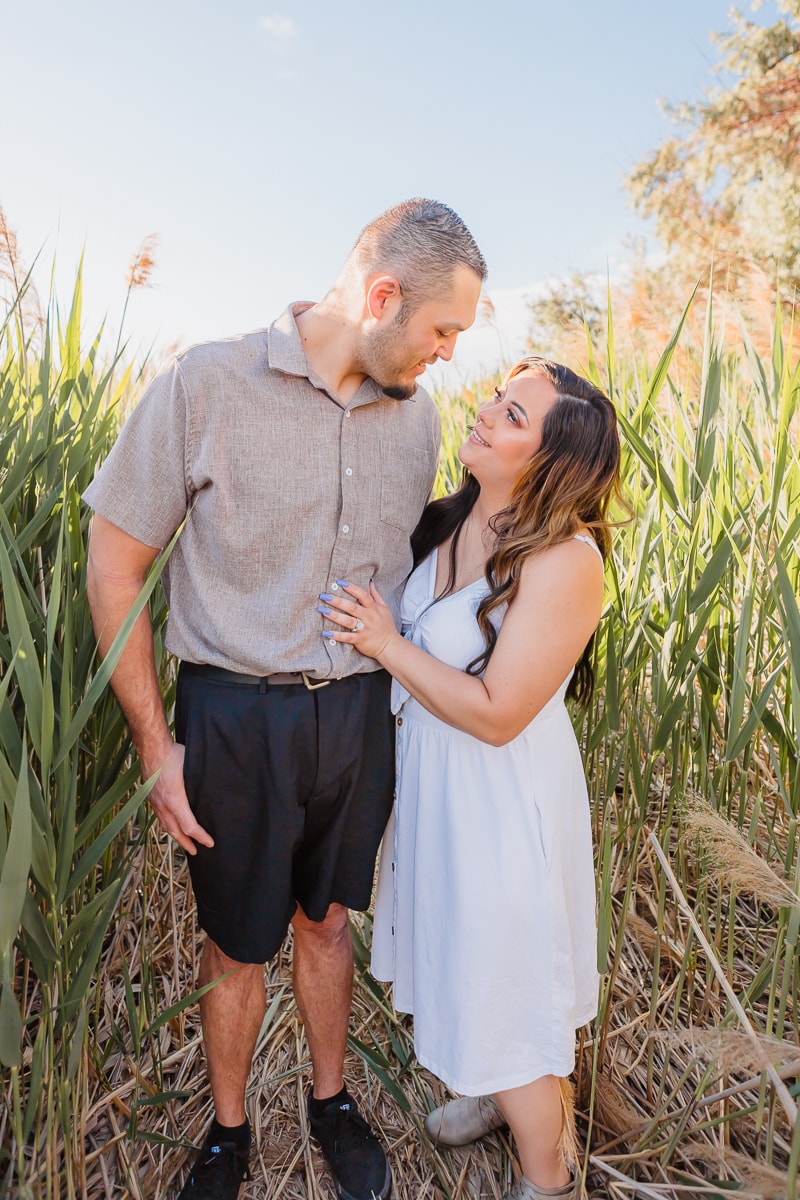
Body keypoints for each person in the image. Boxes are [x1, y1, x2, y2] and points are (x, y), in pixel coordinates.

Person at [83, 198, 486, 1200]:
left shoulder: (421, 416)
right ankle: (228, 1133)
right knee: (235, 945)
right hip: (234, 717)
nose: (446, 352)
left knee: (327, 923)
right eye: (441, 329)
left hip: (357, 713)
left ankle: (331, 1098)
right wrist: (153, 745)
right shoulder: (204, 385)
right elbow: (114, 562)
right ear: (381, 294)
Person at [318, 356, 621, 1200]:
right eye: (497, 397)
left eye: (515, 415)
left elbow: (496, 711)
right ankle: (496, 1097)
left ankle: (548, 1178)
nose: (487, 413)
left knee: (507, 973)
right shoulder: (450, 520)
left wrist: (385, 645)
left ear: (552, 460)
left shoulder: (567, 561)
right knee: (471, 958)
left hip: (499, 795)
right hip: (438, 783)